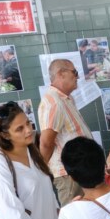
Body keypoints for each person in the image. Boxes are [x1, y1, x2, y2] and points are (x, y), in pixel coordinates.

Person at [38, 58, 92, 206]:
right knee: (74, 218)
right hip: (68, 174)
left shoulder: (65, 99)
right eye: (74, 72)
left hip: (78, 171)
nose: (78, 76)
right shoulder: (53, 102)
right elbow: (46, 142)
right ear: (61, 74)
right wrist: (41, 171)